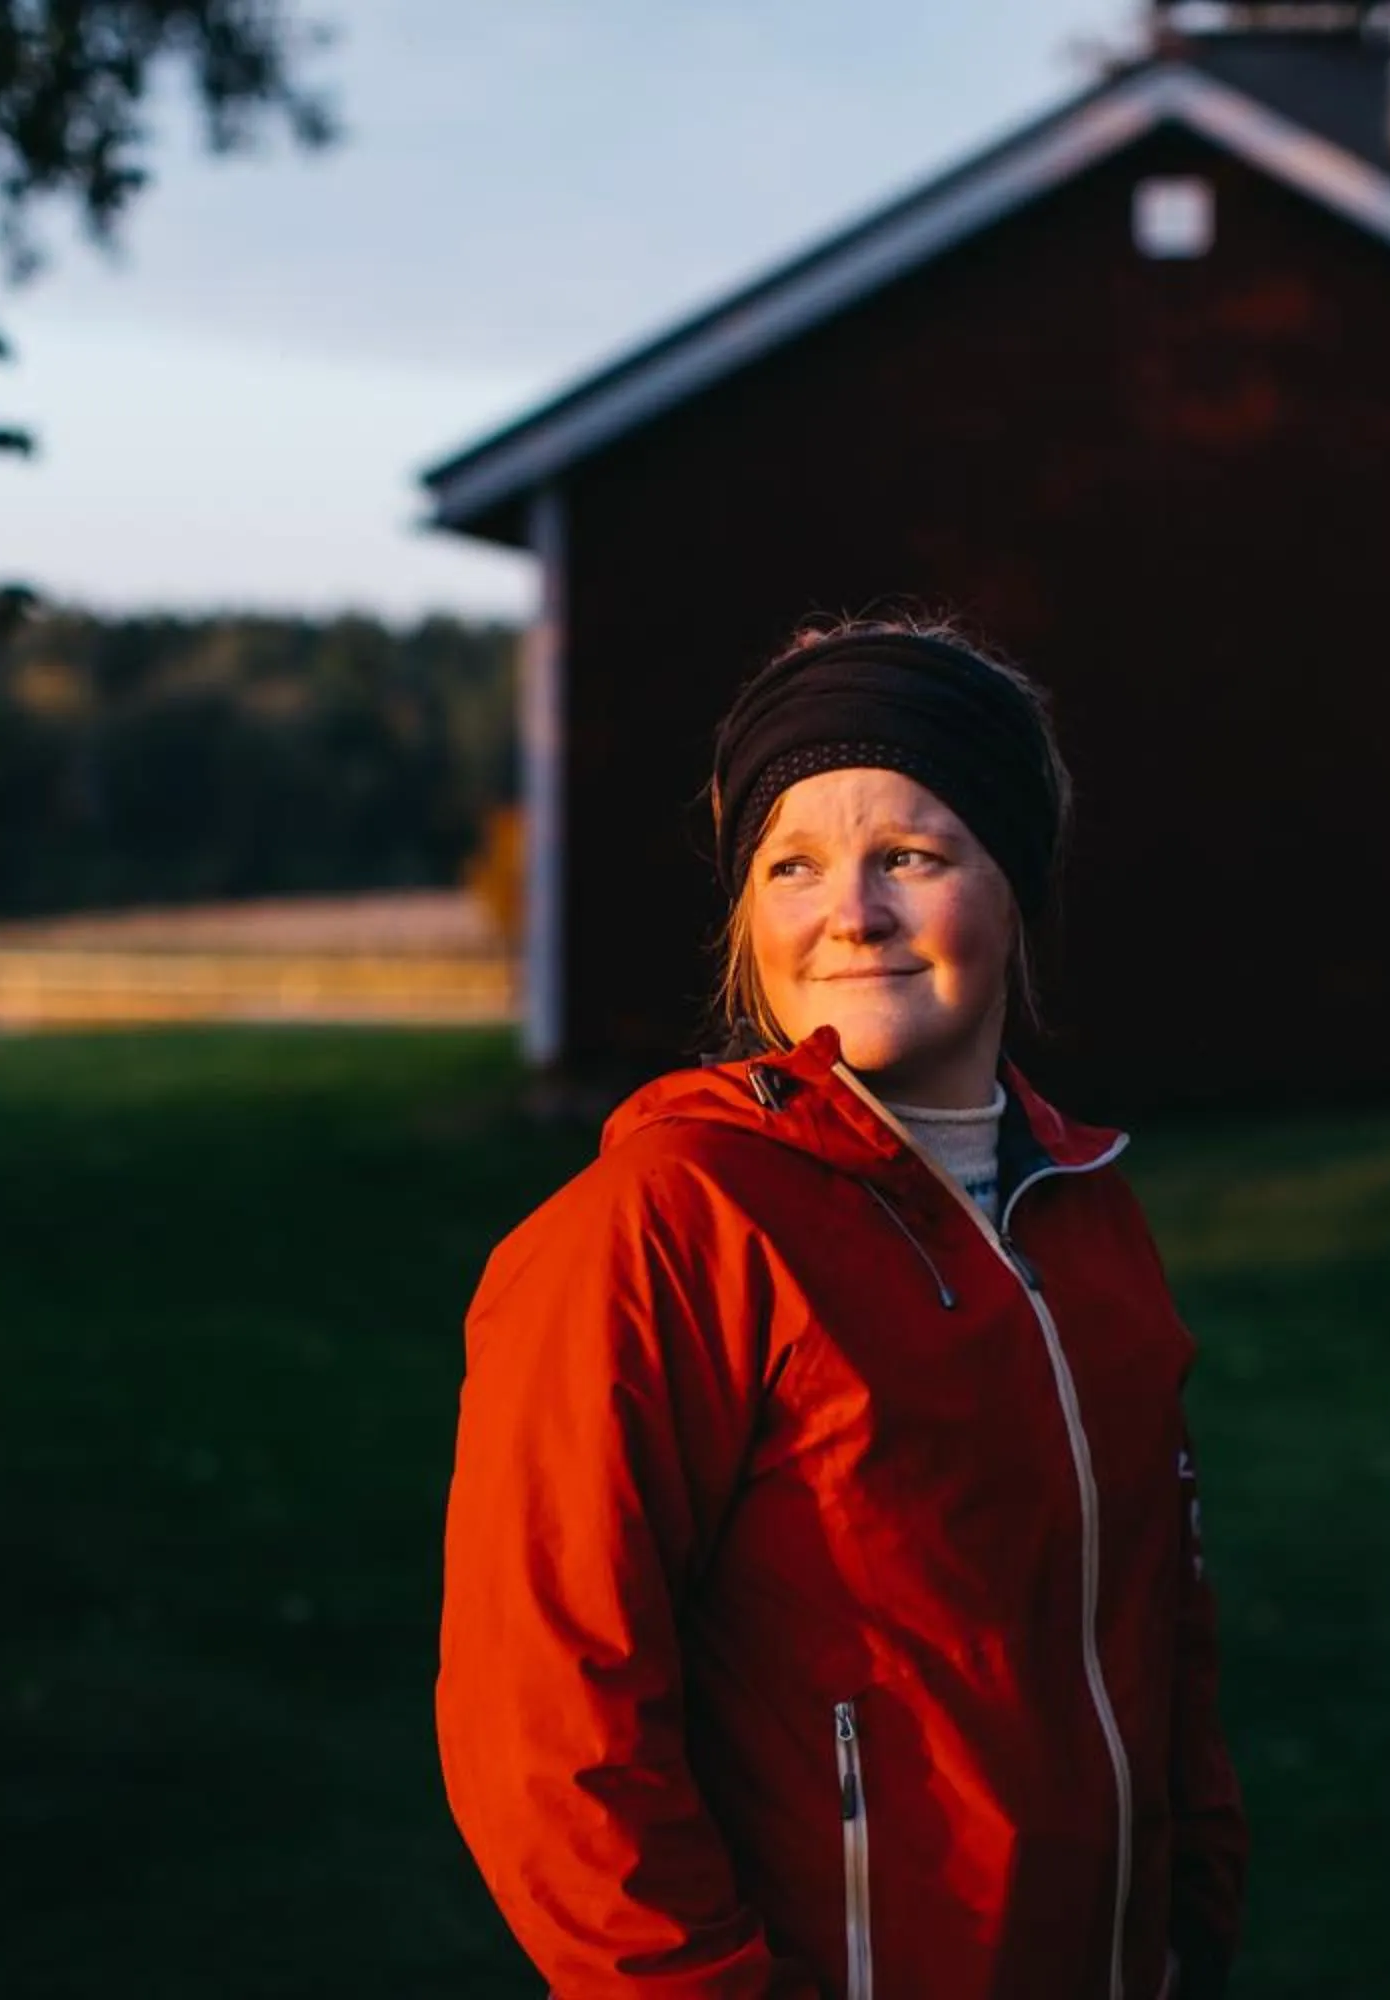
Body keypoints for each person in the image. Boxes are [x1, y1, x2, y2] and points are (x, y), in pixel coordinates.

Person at [434, 619, 1246, 2000]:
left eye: (910, 857)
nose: (847, 912)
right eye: (791, 864)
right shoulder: (669, 1225)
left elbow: (1162, 1617)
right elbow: (547, 1727)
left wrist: (1191, 1920)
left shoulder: (1088, 1207)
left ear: (1013, 882)